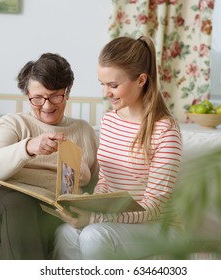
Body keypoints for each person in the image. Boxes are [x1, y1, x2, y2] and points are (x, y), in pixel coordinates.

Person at [54, 36, 183, 259]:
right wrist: (88, 207)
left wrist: (94, 220)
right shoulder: (109, 120)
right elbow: (106, 180)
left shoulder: (165, 131)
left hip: (160, 227)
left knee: (93, 235)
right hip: (117, 221)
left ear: (141, 80)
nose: (106, 93)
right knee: (65, 233)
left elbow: (152, 208)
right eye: (102, 84)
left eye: (113, 85)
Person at [0, 52, 99, 260]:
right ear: (27, 94)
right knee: (21, 206)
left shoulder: (84, 132)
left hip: (48, 215)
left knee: (33, 228)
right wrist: (28, 147)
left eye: (55, 96)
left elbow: (98, 187)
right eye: (37, 98)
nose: (47, 105)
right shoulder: (14, 123)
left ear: (67, 91)